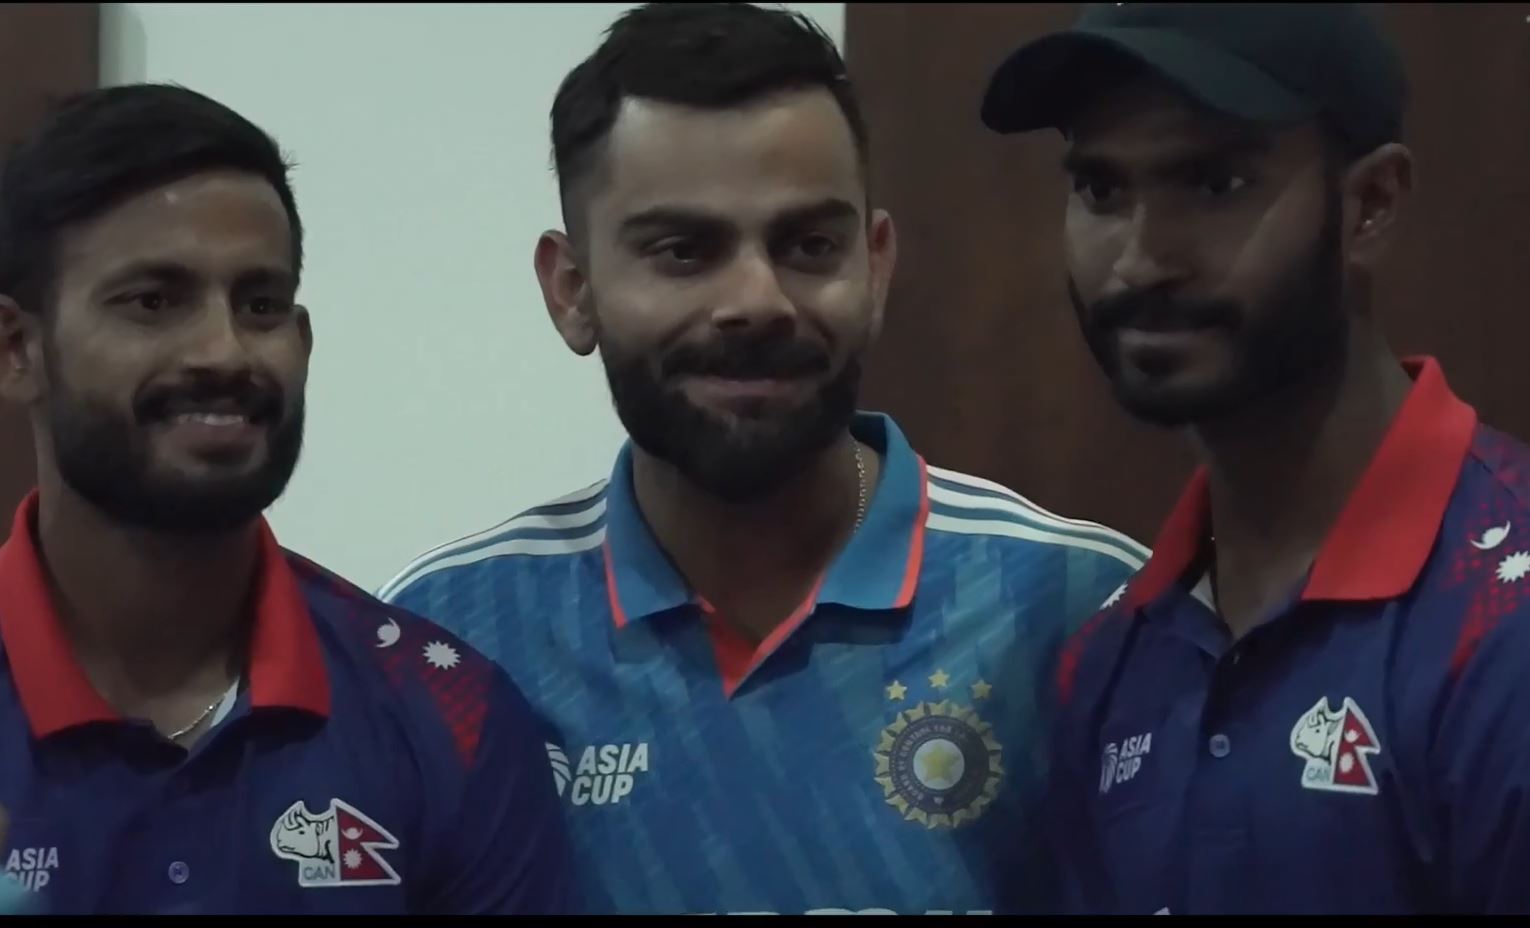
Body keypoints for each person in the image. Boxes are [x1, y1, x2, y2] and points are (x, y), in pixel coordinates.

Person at [379, 1, 1147, 916]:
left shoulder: (1087, 606)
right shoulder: (446, 642)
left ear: (878, 265)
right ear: (572, 289)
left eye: (808, 245)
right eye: (683, 251)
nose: (757, 300)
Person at [981, 2, 1530, 915]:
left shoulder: (1502, 619)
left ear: (1371, 204)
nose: (1140, 260)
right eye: (1102, 191)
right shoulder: (1111, 657)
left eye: (1216, 182)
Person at [0, 83, 572, 914]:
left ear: (302, 339)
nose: (223, 351)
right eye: (153, 302)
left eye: (259, 304)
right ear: (17, 349)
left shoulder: (451, 714)